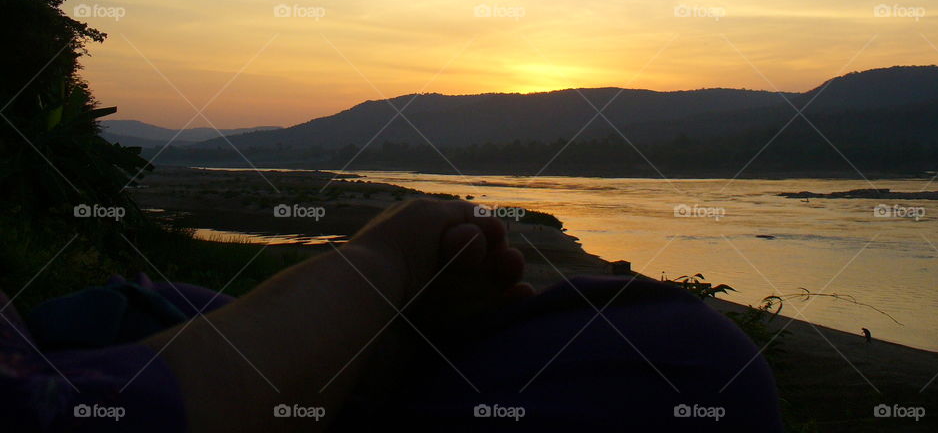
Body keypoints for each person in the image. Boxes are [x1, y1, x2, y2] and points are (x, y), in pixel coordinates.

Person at [2, 199, 783, 430]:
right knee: (695, 365)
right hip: (109, 377)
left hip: (98, 339)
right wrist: (382, 263)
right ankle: (377, 372)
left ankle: (371, 370)